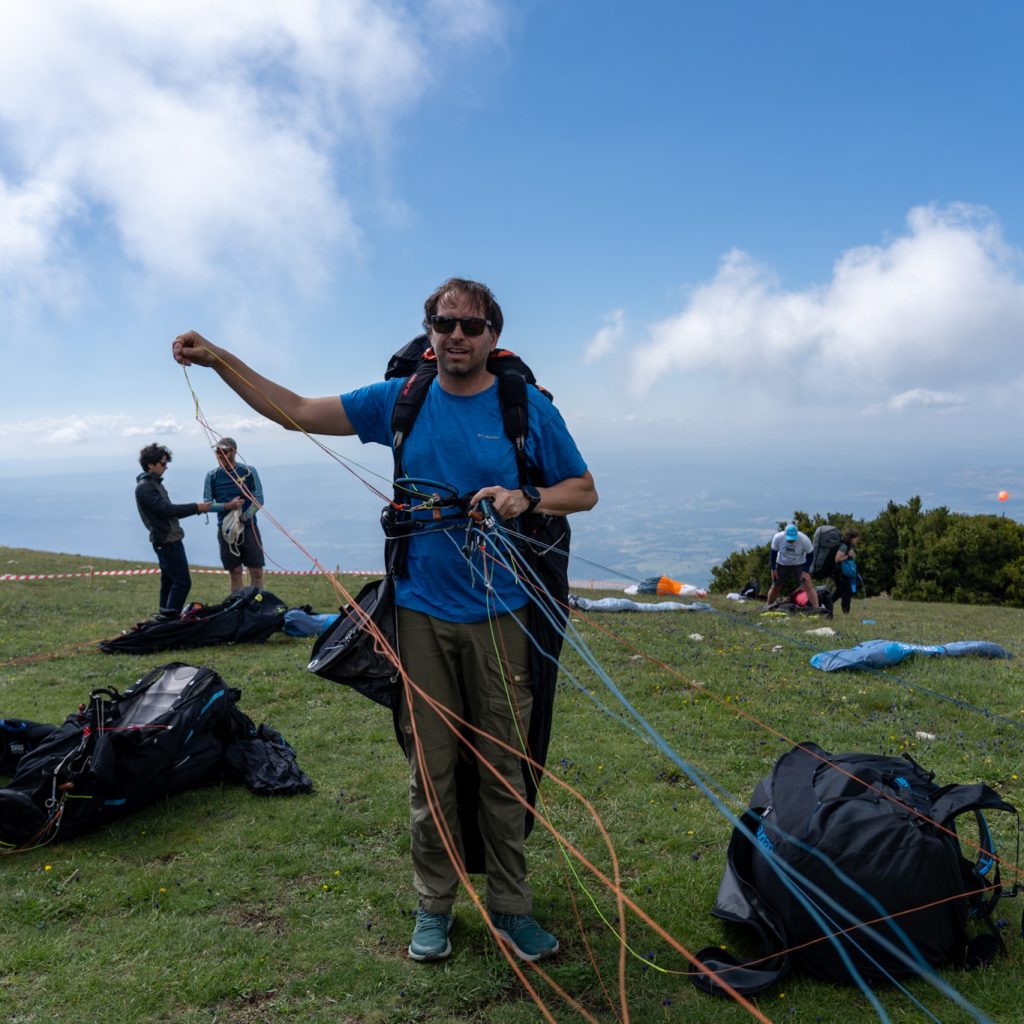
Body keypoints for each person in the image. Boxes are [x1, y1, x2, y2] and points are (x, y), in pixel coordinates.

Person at [172, 277, 598, 964]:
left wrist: (526, 498)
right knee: (430, 772)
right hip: (421, 614)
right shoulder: (404, 400)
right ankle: (435, 908)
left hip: (505, 615)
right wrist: (220, 358)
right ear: (429, 330)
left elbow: (583, 489)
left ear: (493, 334)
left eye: (470, 325)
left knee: (504, 769)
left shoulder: (525, 409)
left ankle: (513, 909)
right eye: (444, 323)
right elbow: (297, 412)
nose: (456, 335)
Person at [134, 443, 237, 620]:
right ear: (150, 464)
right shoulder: (145, 487)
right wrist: (197, 507)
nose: (165, 467)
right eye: (163, 463)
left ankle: (163, 618)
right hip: (166, 540)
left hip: (169, 539)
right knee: (182, 582)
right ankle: (170, 620)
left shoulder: (152, 484)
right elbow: (166, 510)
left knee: (169, 581)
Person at [204, 437, 266, 592]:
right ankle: (237, 608)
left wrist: (245, 516)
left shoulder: (248, 472)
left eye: (224, 451)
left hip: (249, 526)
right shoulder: (212, 476)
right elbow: (207, 505)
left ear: (234, 452)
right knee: (235, 572)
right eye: (217, 451)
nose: (220, 454)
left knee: (256, 571)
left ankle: (257, 606)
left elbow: (259, 499)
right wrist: (228, 506)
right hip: (226, 529)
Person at [765, 523, 818, 609]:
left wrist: (805, 571)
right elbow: (773, 553)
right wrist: (773, 569)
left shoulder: (804, 539)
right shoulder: (778, 537)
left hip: (799, 564)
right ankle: (768, 607)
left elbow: (810, 554)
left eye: (793, 539)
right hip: (782, 564)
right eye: (789, 539)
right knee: (775, 586)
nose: (791, 541)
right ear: (785, 534)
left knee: (808, 585)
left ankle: (816, 608)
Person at [832, 529, 861, 614]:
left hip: (844, 574)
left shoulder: (849, 547)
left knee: (838, 593)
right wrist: (848, 556)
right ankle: (846, 613)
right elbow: (837, 559)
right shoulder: (844, 546)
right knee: (847, 593)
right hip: (841, 574)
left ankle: (825, 605)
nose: (858, 540)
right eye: (856, 538)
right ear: (851, 538)